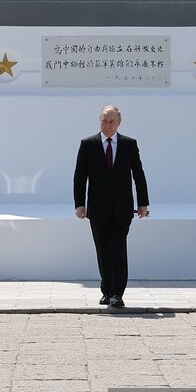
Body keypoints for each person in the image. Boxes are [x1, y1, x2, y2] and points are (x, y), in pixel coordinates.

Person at [74, 105, 150, 308]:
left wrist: (143, 203)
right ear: (99, 121)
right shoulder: (88, 144)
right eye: (104, 121)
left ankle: (117, 293)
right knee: (103, 250)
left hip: (122, 208)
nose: (107, 125)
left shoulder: (129, 144)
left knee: (118, 248)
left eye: (111, 122)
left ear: (119, 123)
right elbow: (80, 177)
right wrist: (79, 204)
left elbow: (138, 175)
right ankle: (106, 290)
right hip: (97, 209)